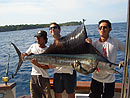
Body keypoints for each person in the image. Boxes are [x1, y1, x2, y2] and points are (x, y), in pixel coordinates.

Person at [86, 19, 125, 98]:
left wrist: (125, 61)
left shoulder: (115, 42)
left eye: (105, 27)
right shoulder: (94, 44)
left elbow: (127, 49)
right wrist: (87, 45)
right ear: (98, 30)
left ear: (110, 29)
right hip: (96, 79)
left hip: (110, 80)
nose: (102, 30)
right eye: (100, 28)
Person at [21, 30, 54, 98]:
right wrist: (22, 55)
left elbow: (47, 67)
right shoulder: (33, 46)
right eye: (36, 37)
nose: (37, 39)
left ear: (44, 39)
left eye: (39, 37)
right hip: (33, 76)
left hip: (44, 77)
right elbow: (26, 54)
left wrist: (37, 64)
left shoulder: (48, 50)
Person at [49, 22, 76, 98]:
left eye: (54, 27)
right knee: (57, 93)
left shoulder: (68, 41)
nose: (52, 29)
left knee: (71, 93)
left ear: (59, 30)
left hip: (69, 72)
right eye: (50, 28)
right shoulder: (51, 44)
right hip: (57, 73)